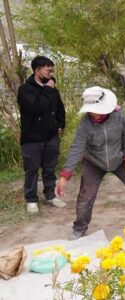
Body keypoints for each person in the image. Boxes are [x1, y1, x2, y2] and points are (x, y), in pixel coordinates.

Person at [55, 86, 125, 240]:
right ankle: (79, 228)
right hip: (93, 162)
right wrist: (65, 176)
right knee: (86, 196)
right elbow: (77, 148)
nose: (95, 113)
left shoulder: (120, 116)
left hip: (119, 160)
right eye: (92, 110)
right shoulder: (85, 124)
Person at [17, 55, 66, 213]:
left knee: (49, 168)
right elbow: (37, 107)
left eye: (51, 70)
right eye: (48, 69)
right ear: (37, 71)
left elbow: (59, 108)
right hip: (31, 139)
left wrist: (60, 125)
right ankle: (31, 199)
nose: (51, 73)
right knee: (31, 170)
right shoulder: (25, 90)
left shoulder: (52, 89)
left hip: (51, 137)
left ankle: (51, 195)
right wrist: (48, 89)